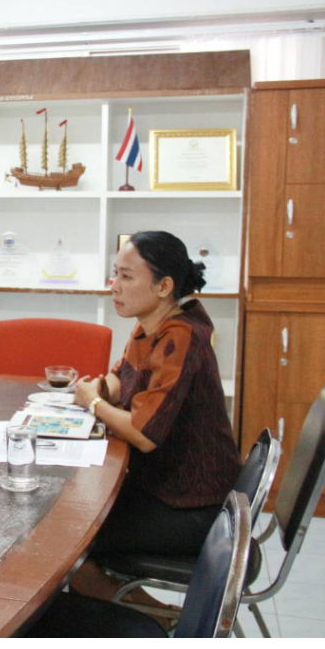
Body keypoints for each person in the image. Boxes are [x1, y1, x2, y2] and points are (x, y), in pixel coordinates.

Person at [66, 230, 242, 607]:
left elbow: (144, 434)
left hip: (194, 506)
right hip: (165, 489)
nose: (114, 286)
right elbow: (123, 375)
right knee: (70, 509)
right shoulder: (151, 324)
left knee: (67, 536)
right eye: (115, 273)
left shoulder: (181, 337)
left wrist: (93, 404)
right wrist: (100, 390)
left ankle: (153, 617)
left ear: (164, 286)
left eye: (127, 276)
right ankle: (146, 612)